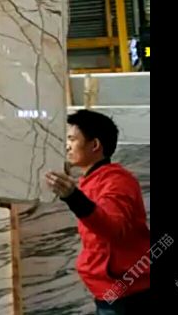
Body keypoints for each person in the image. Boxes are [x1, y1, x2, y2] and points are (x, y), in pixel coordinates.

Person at [45, 109, 150, 314]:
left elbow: (113, 228)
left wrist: (73, 197)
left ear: (94, 145)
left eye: (72, 139)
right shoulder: (92, 178)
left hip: (127, 293)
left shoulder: (116, 181)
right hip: (112, 291)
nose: (67, 145)